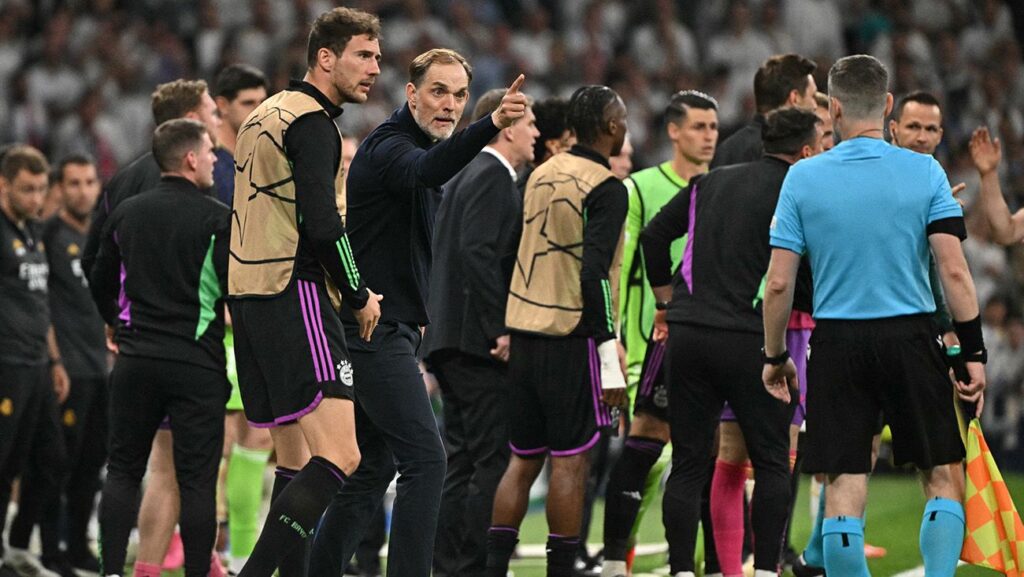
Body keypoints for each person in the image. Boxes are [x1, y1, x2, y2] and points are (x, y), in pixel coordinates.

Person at [762, 54, 985, 577]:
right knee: (939, 474)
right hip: (912, 336)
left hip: (837, 342)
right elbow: (953, 272)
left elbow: (778, 283)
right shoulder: (927, 171)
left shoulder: (801, 178)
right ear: (887, 106)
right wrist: (971, 351)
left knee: (844, 481)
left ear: (833, 108)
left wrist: (774, 356)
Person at [307, 48, 526, 577]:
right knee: (427, 461)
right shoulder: (390, 147)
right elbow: (429, 170)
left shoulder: (416, 144)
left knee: (368, 469)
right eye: (437, 92)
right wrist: (489, 124)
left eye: (458, 95)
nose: (449, 105)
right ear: (410, 93)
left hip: (395, 329)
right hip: (373, 329)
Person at [226, 8, 383, 577]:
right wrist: (359, 292)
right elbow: (323, 225)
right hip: (295, 294)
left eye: (377, 58)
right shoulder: (313, 122)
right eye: (363, 56)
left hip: (249, 299)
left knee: (292, 461)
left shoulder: (263, 114)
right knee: (342, 454)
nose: (374, 69)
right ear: (325, 56)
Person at [641, 108, 822, 577]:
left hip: (690, 334)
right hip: (751, 339)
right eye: (821, 144)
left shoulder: (710, 181)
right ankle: (764, 570)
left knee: (688, 463)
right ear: (805, 151)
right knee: (770, 462)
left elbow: (654, 235)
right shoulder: (798, 190)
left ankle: (682, 570)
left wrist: (665, 300)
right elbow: (798, 277)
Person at [82, 78, 224, 577]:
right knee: (198, 481)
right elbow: (232, 293)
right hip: (196, 363)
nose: (214, 156)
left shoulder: (124, 207)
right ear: (188, 158)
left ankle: (110, 573)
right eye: (208, 151)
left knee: (123, 471)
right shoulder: (218, 218)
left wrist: (116, 324)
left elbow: (96, 271)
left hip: (136, 360)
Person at [485, 84, 629, 577]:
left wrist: (511, 318)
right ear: (611, 127)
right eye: (622, 118)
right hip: (570, 338)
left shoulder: (540, 172)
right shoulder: (606, 185)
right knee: (570, 462)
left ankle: (494, 569)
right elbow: (594, 276)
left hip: (524, 333)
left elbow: (507, 254)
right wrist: (609, 356)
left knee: (521, 461)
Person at [601, 90, 719, 577]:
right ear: (673, 131)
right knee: (648, 461)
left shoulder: (724, 187)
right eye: (698, 127)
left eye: (713, 128)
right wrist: (617, 338)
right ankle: (616, 560)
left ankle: (697, 564)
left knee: (704, 460)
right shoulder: (642, 189)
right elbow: (616, 267)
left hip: (709, 342)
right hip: (648, 345)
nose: (709, 136)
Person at [425, 87, 539, 577]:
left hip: (448, 338)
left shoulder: (462, 175)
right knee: (491, 459)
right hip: (477, 341)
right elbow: (477, 253)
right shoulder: (494, 176)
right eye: (531, 124)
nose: (537, 133)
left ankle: (447, 564)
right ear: (508, 126)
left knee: (463, 461)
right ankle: (474, 567)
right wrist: (500, 328)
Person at [8, 155, 108, 577]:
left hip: (97, 366)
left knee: (88, 466)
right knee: (49, 463)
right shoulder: (47, 233)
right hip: (55, 366)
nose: (83, 190)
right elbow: (38, 301)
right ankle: (47, 547)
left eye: (89, 182)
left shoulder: (101, 237)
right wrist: (56, 360)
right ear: (59, 190)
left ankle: (75, 546)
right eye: (74, 183)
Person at [209, 62, 272, 574]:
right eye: (248, 103)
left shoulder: (256, 161)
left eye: (262, 101)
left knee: (259, 435)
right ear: (222, 105)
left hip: (256, 309)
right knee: (224, 438)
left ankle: (240, 552)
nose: (258, 112)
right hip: (223, 315)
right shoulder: (213, 167)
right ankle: (209, 549)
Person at [0, 146, 69, 577]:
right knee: (2, 461)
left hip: (38, 363)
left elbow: (38, 299)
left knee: (52, 459)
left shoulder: (32, 230)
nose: (36, 198)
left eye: (42, 189)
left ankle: (19, 544)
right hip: (6, 363)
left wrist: (55, 359)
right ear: (3, 185)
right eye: (27, 189)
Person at [711, 53, 817, 168]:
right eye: (812, 96)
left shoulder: (727, 150)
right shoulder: (791, 154)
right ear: (794, 98)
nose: (815, 105)